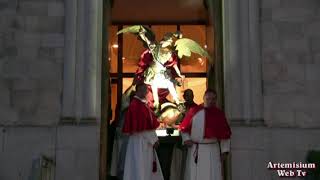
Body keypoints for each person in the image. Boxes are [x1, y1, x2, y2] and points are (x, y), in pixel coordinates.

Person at [179, 89, 232, 180]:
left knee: (213, 174)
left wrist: (224, 151)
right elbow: (184, 129)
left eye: (213, 99)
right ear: (204, 98)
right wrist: (186, 139)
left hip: (213, 150)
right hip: (196, 149)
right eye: (208, 98)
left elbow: (225, 134)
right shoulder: (194, 111)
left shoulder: (219, 114)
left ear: (216, 100)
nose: (211, 101)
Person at [122, 83, 164, 180]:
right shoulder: (137, 105)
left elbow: (147, 125)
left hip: (143, 141)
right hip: (141, 142)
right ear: (137, 91)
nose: (145, 92)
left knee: (141, 167)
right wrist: (154, 140)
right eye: (143, 90)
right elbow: (143, 129)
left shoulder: (141, 104)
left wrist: (153, 139)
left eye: (146, 90)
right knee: (141, 166)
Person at [170, 89, 198, 180]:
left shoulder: (197, 109)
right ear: (184, 97)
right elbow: (174, 121)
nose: (189, 97)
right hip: (179, 140)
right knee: (179, 164)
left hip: (192, 139)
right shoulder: (179, 108)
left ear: (193, 96)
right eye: (187, 96)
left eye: (190, 95)